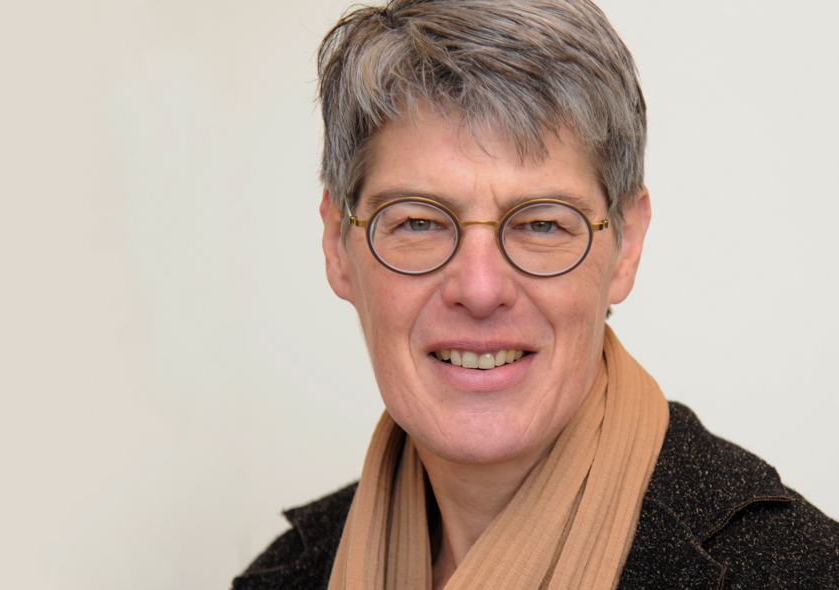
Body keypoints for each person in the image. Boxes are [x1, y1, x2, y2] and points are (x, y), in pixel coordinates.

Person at [233, 0, 839, 588]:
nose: (479, 289)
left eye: (542, 224)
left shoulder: (798, 573)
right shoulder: (284, 575)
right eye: (418, 221)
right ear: (337, 245)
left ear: (626, 246)